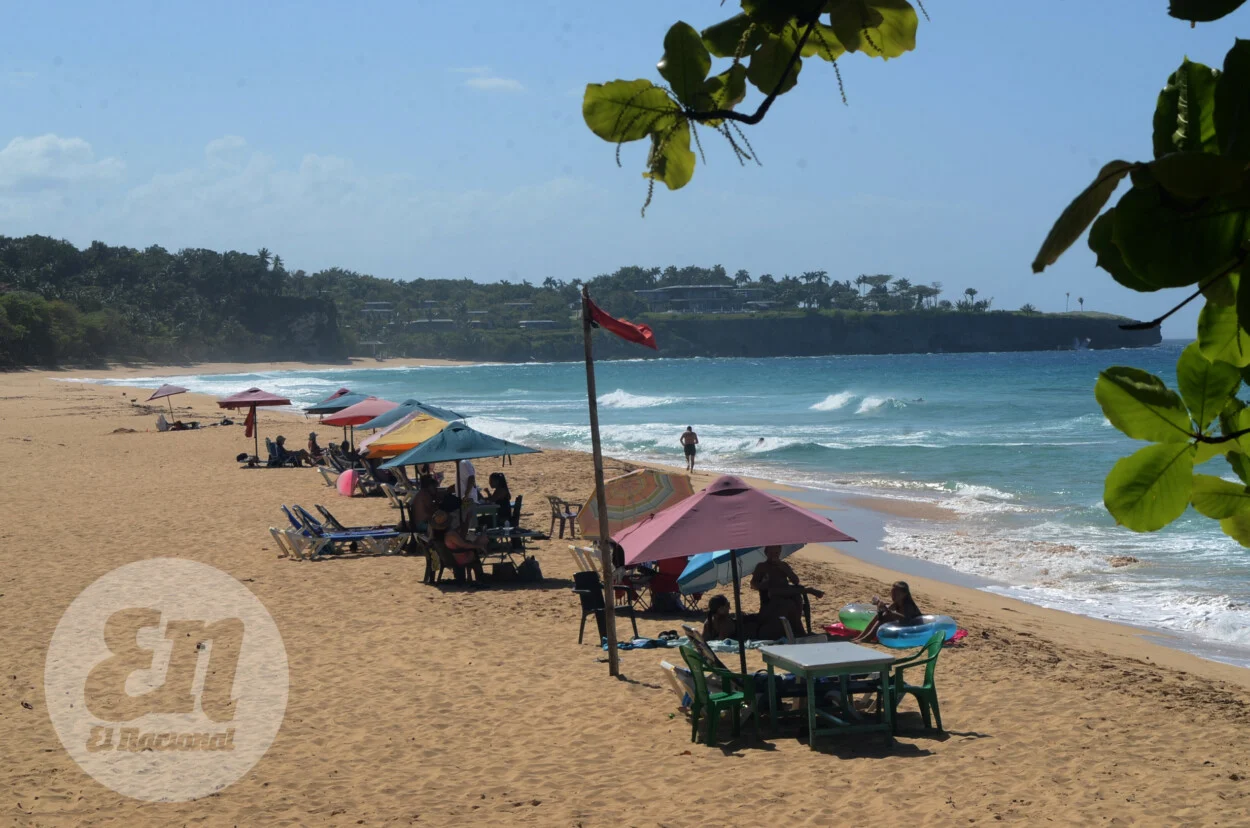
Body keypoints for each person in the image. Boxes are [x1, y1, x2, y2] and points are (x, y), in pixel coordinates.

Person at [750, 545, 824, 640]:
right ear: (766, 553)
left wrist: (785, 569)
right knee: (782, 599)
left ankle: (798, 630)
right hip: (770, 602)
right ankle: (807, 590)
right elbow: (753, 584)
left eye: (776, 553)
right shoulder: (762, 566)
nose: (774, 556)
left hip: (786, 596)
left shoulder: (783, 565)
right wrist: (763, 584)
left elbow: (796, 581)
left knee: (795, 599)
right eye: (771, 553)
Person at [430, 510, 487, 585]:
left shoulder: (437, 535)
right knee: (473, 550)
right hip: (458, 558)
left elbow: (461, 537)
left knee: (471, 545)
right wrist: (479, 546)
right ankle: (480, 577)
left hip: (450, 557)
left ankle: (471, 576)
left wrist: (465, 522)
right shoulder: (450, 534)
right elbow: (464, 545)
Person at [856, 581, 923, 642]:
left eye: (896, 593)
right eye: (892, 593)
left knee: (888, 615)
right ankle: (861, 636)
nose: (893, 596)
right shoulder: (896, 603)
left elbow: (907, 620)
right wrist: (880, 609)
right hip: (903, 627)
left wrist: (889, 612)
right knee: (882, 615)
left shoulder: (908, 605)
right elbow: (881, 618)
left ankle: (867, 638)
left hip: (913, 630)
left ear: (904, 594)